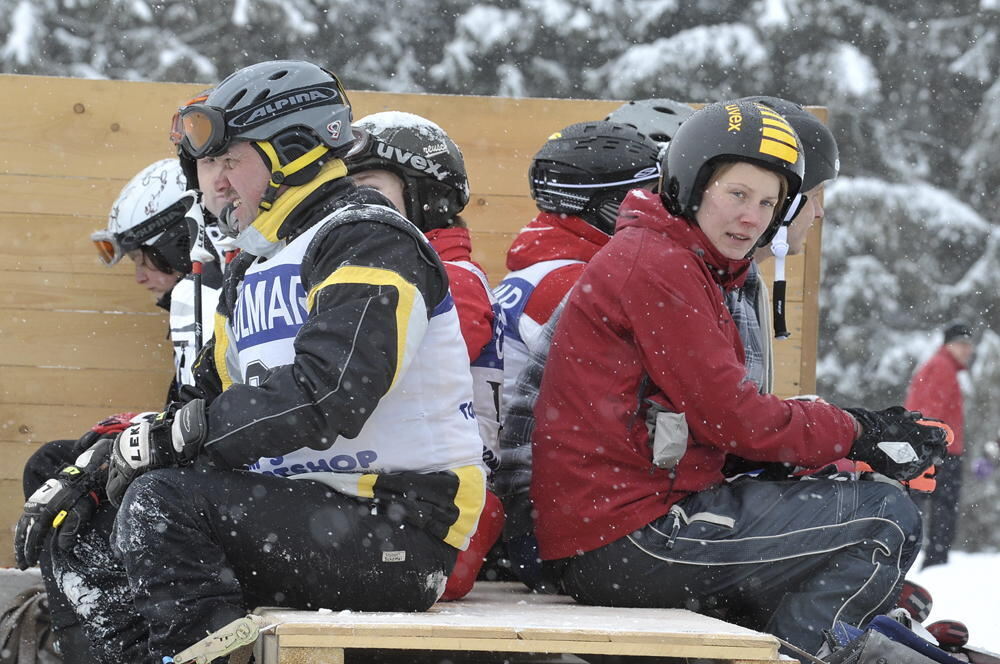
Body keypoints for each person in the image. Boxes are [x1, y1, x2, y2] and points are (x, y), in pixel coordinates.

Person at [19, 60, 486, 663]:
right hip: (304, 511)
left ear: (294, 148)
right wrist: (103, 455)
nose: (213, 183)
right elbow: (196, 405)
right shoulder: (252, 266)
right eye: (207, 166)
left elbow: (331, 391)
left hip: (400, 528)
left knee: (163, 505)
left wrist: (175, 440)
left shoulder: (370, 237)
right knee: (81, 502)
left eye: (227, 160)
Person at [529, 100, 948, 655]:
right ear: (693, 185)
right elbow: (731, 415)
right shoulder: (661, 267)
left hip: (619, 523)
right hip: (627, 537)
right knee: (886, 521)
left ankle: (791, 644)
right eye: (737, 194)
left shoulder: (686, 261)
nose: (752, 217)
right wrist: (856, 431)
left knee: (852, 502)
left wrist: (837, 447)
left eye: (769, 202)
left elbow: (717, 421)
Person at [15, 157, 223, 662]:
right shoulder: (194, 305)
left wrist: (114, 453)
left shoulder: (213, 300)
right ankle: (99, 642)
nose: (139, 277)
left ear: (180, 239)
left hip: (217, 491)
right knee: (58, 467)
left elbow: (217, 420)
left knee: (71, 488)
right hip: (201, 479)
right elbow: (188, 410)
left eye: (145, 257)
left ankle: (113, 647)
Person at [492, 119, 663, 588]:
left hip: (514, 498)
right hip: (541, 513)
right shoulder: (576, 285)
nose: (660, 209)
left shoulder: (537, 273)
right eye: (647, 195)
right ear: (606, 207)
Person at [343, 110, 504, 600]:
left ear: (426, 194)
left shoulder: (454, 276)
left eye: (367, 189)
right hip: (408, 493)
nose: (352, 205)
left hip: (448, 510)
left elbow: (375, 371)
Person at [905, 321, 975, 568]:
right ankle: (935, 561)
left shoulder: (941, 366)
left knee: (925, 504)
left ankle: (923, 558)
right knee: (942, 506)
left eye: (970, 344)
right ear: (949, 345)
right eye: (963, 344)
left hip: (936, 448)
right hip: (940, 450)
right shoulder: (942, 368)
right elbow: (930, 411)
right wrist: (936, 448)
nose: (969, 350)